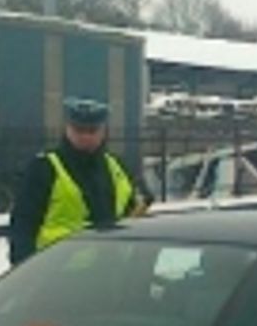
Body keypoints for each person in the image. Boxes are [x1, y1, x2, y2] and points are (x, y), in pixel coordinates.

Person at [8, 96, 150, 265]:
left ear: (103, 131)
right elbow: (23, 226)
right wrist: (24, 271)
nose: (85, 137)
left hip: (111, 269)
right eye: (79, 130)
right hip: (57, 274)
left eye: (92, 131)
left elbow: (132, 214)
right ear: (67, 128)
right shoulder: (45, 168)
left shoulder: (117, 167)